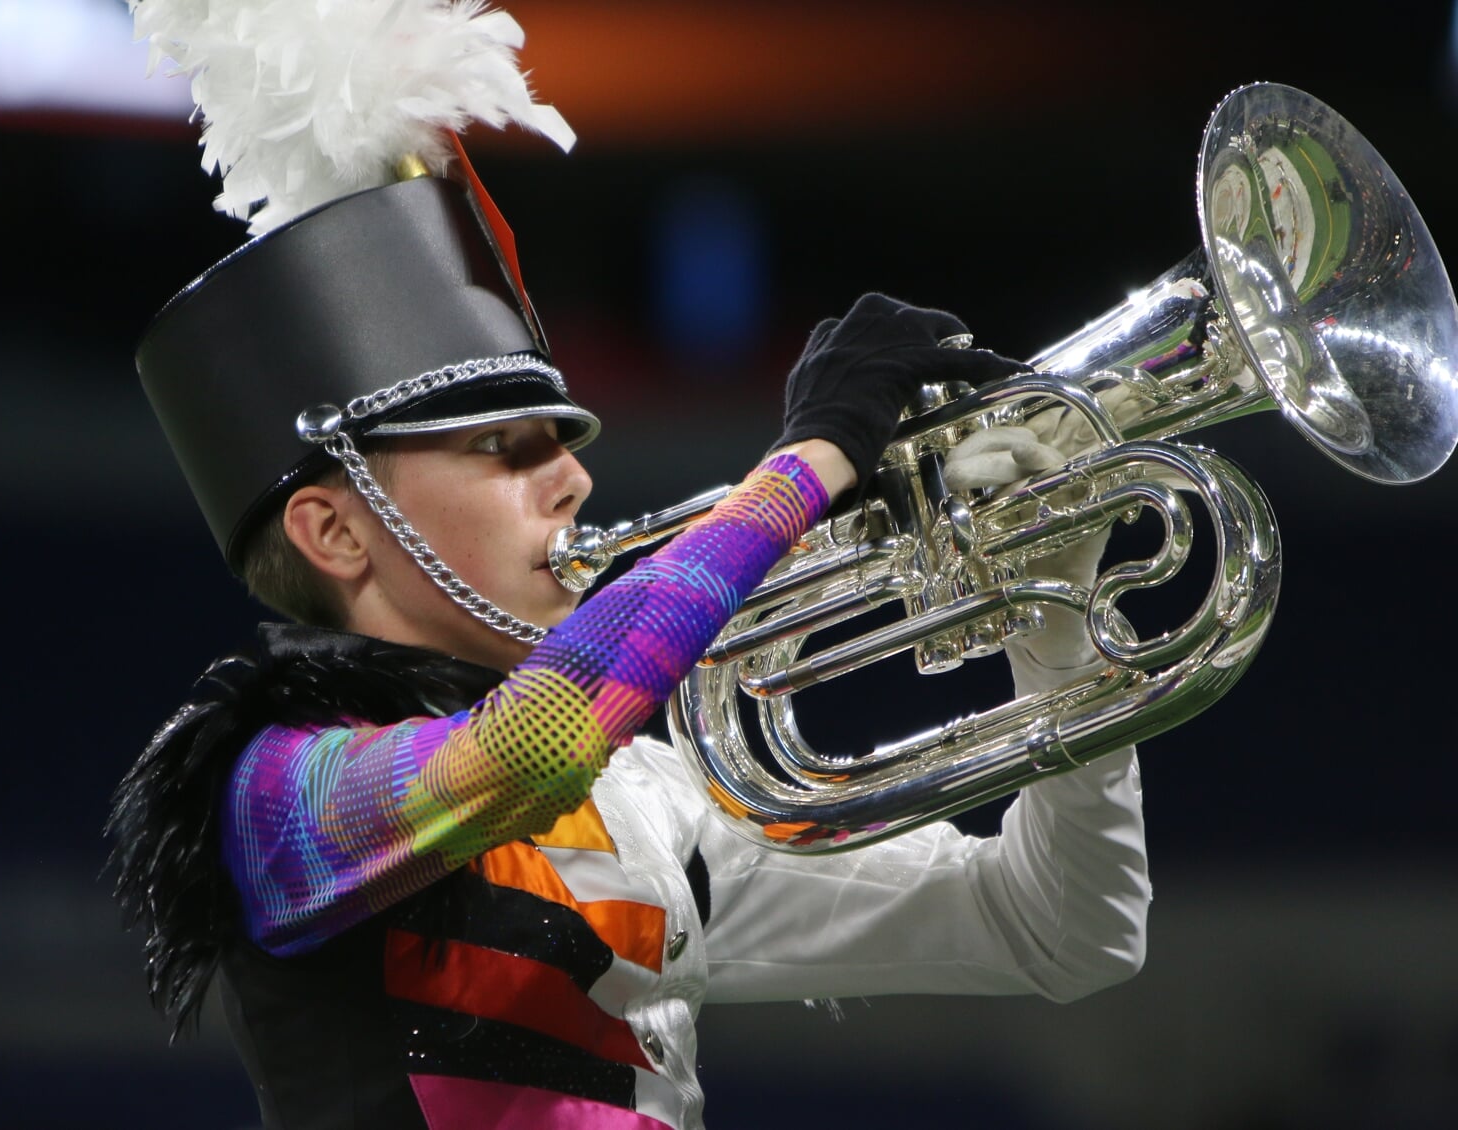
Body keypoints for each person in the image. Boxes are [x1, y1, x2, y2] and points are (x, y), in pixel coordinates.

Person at [108, 5, 1147, 1127]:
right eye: (505, 451)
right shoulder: (274, 791)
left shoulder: (645, 809)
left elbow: (1062, 925)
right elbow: (536, 744)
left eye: (564, 445)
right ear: (337, 533)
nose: (572, 482)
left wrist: (1054, 608)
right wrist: (810, 465)